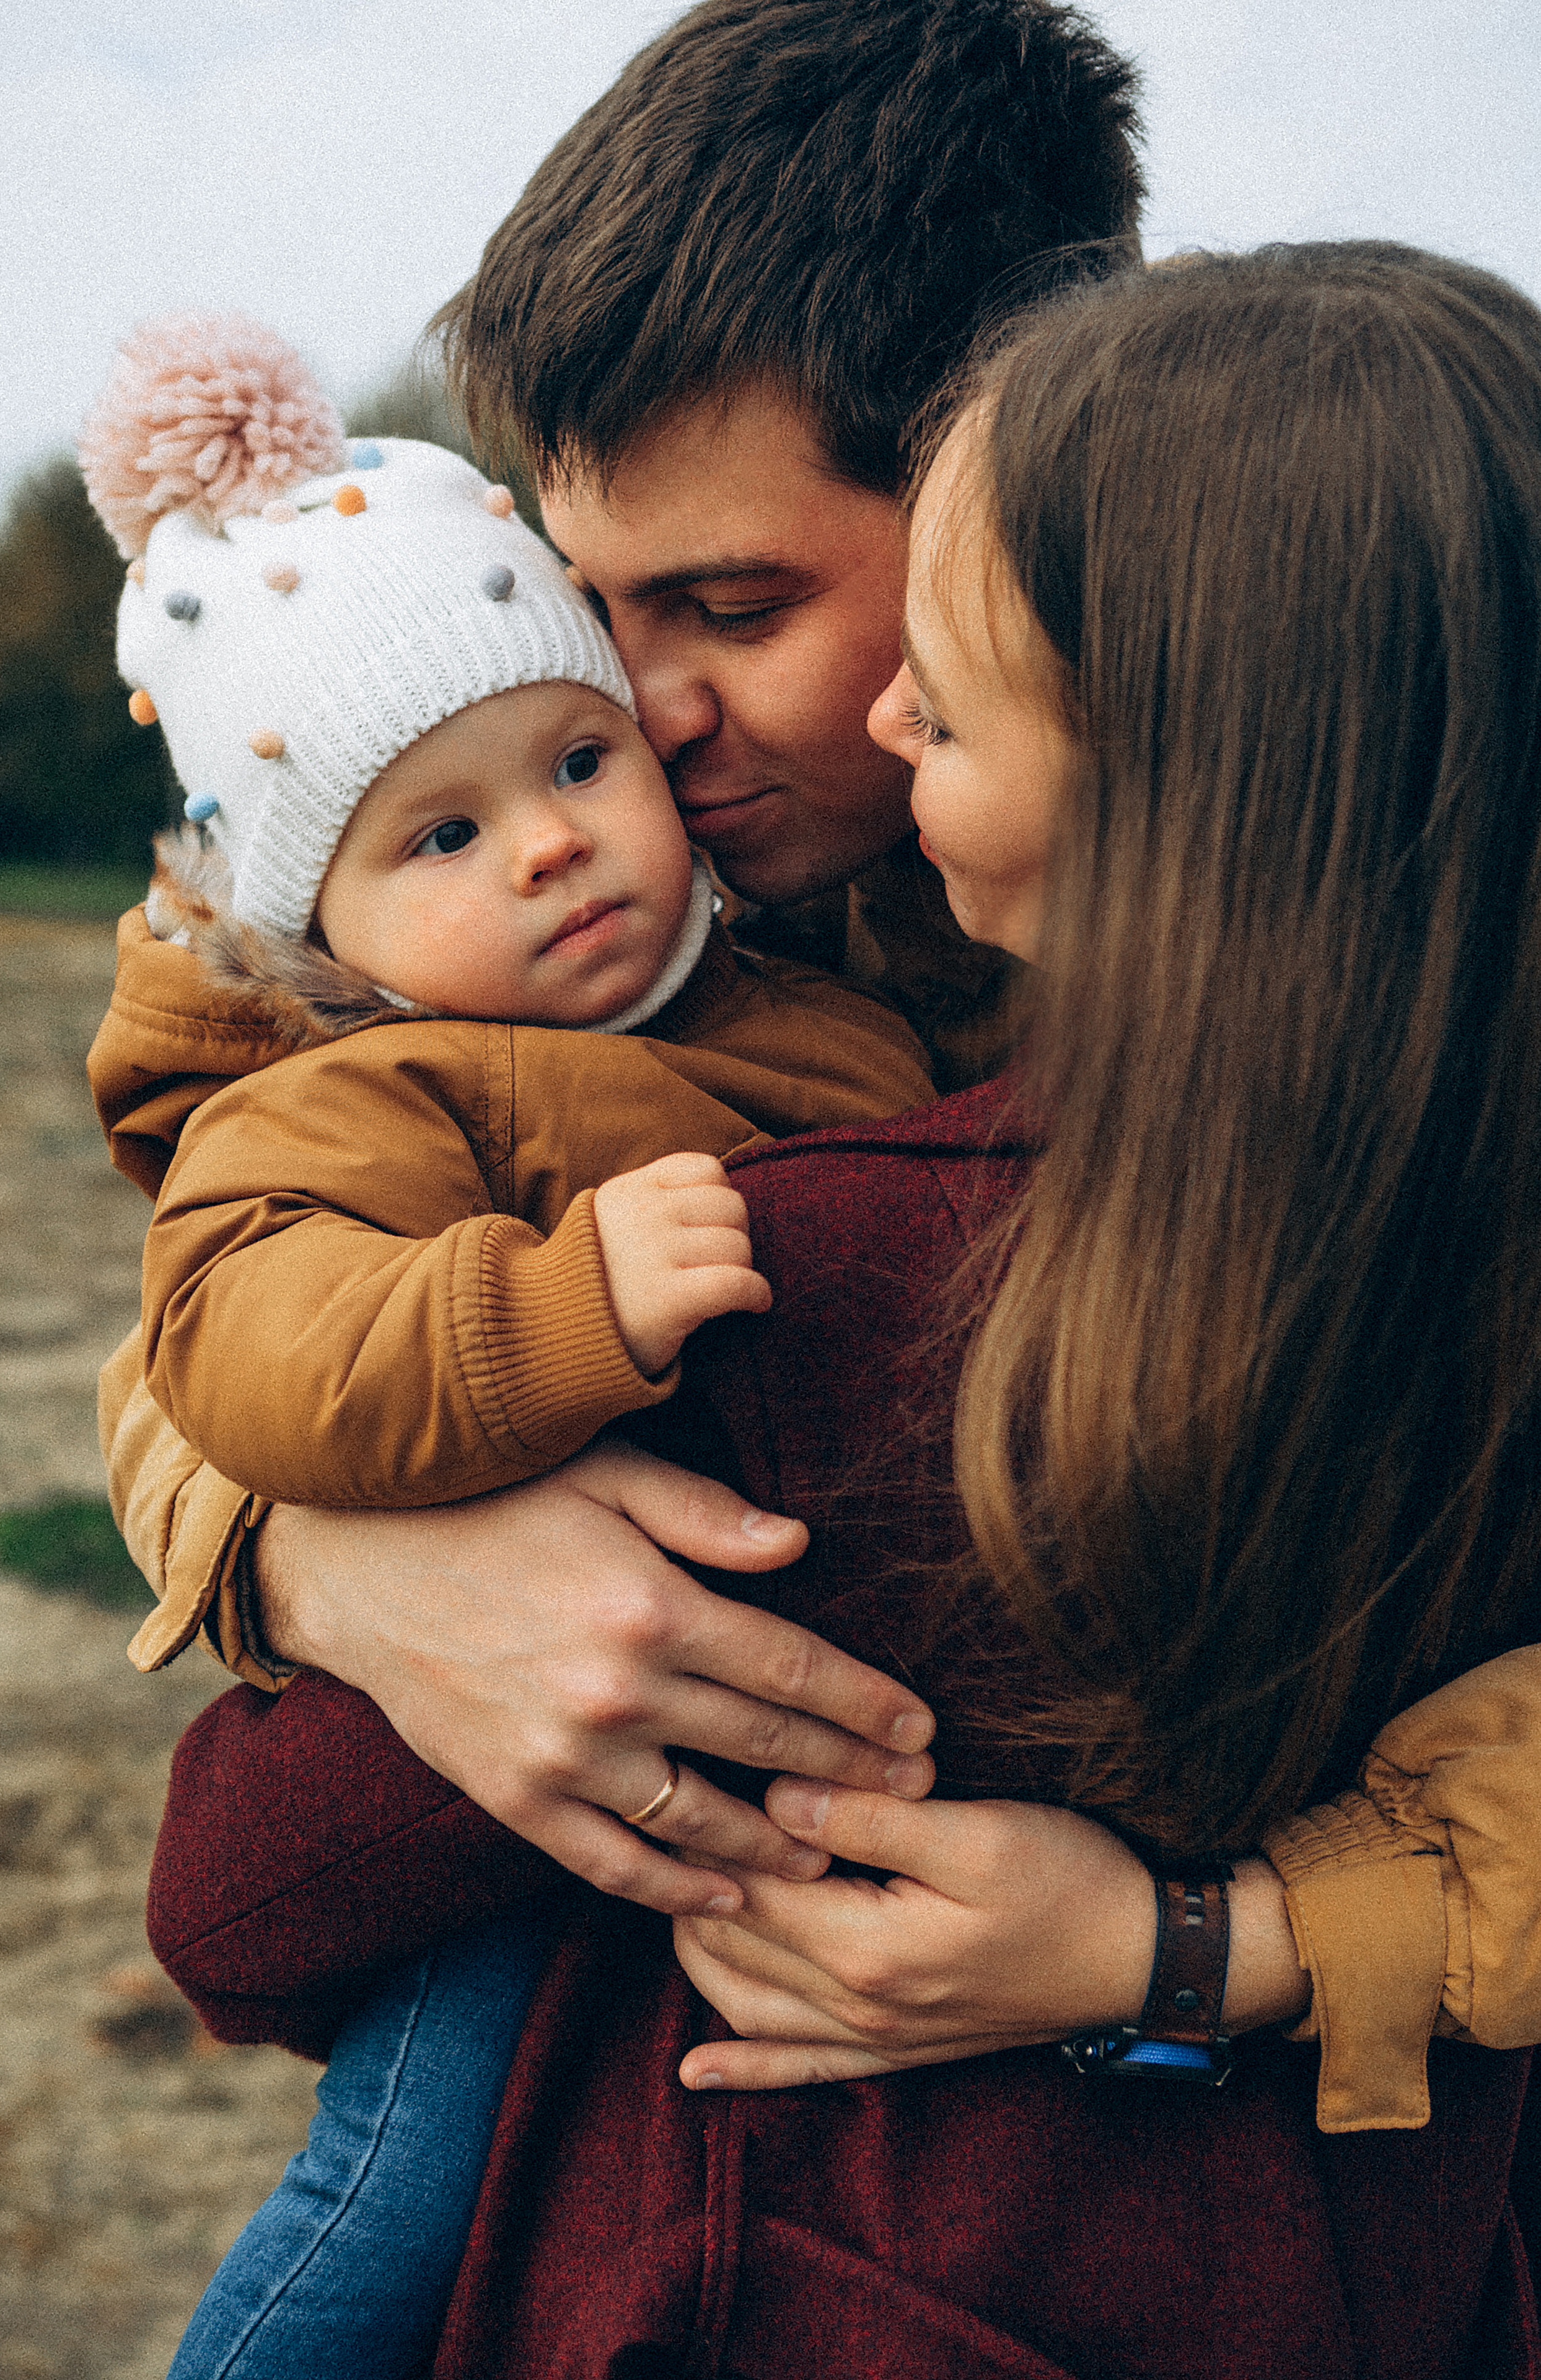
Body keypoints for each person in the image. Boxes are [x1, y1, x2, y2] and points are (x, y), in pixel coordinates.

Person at [100, 0, 1541, 2172]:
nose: (632, 714)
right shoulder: (612, 934)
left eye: (735, 601)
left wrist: (1201, 1944)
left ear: (1011, 477)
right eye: (589, 605)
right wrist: (326, 1562)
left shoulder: (1331, 993)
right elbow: (226, 1272)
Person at [76, 311, 935, 2374]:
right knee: (408, 2187)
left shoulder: (815, 1002)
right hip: (498, 1833)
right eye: (440, 837)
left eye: (576, 762)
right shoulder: (373, 1093)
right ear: (323, 934)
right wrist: (556, 1315)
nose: (549, 842)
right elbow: (243, 1344)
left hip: (760, 1757)